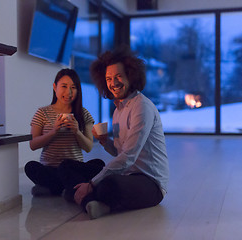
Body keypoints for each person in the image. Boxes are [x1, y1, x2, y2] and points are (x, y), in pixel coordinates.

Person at [73, 46, 169, 219]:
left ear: (130, 76)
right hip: (127, 174)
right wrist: (104, 141)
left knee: (108, 184)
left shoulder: (141, 106)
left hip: (150, 183)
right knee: (70, 167)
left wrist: (93, 183)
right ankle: (92, 200)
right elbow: (120, 152)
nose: (113, 83)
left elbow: (128, 157)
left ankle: (86, 197)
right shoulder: (118, 109)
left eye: (118, 76)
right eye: (109, 78)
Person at [24, 68, 105, 199]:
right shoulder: (42, 112)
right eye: (64, 86)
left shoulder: (83, 114)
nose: (69, 92)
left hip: (72, 168)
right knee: (30, 167)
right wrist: (54, 131)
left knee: (99, 163)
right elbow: (33, 144)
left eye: (73, 87)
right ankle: (69, 187)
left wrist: (77, 131)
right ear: (55, 87)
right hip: (50, 169)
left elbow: (89, 147)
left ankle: (53, 188)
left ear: (78, 91)